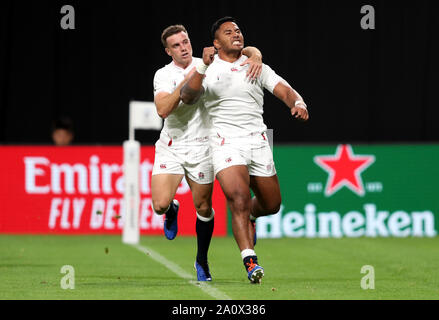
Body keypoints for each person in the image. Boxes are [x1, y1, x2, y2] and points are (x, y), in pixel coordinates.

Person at [180, 17, 309, 284]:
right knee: (237, 197)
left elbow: (284, 89)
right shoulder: (206, 66)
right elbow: (188, 96)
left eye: (238, 30)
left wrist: (297, 103)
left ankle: (251, 215)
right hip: (224, 140)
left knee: (272, 205)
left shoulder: (255, 64)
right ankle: (250, 261)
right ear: (216, 42)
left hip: (258, 140)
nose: (236, 34)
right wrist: (203, 65)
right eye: (228, 32)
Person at [151, 24, 264, 281]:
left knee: (203, 208)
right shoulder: (163, 75)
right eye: (176, 45)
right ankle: (171, 210)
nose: (183, 47)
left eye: (186, 41)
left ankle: (201, 260)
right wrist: (193, 74)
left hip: (203, 146)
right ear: (169, 51)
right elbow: (163, 109)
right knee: (159, 205)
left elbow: (239, 49)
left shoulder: (209, 62)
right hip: (172, 146)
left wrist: (255, 54)